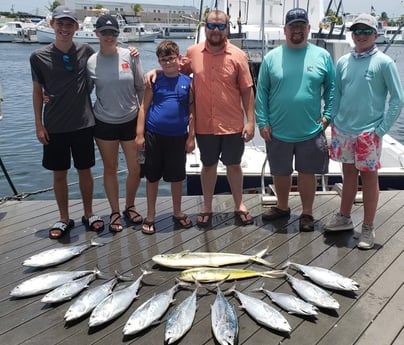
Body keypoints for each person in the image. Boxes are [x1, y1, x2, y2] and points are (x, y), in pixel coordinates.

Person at [146, 10, 255, 228]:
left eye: (220, 26)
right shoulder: (192, 52)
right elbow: (174, 69)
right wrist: (157, 71)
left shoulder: (239, 55)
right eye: (212, 26)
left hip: (232, 123)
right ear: (205, 27)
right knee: (208, 165)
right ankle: (207, 206)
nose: (216, 30)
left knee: (234, 165)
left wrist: (250, 121)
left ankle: (239, 204)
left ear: (227, 28)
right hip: (205, 124)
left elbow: (247, 90)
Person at [324, 13, 404, 249]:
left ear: (375, 35)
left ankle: (368, 227)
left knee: (369, 179)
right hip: (343, 130)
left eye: (366, 31)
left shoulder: (384, 63)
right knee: (347, 174)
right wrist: (332, 121)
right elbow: (336, 94)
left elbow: (398, 100)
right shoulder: (343, 62)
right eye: (357, 31)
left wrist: (380, 131)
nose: (361, 36)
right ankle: (344, 217)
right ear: (352, 35)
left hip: (369, 133)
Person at [255, 8, 335, 232]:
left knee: (307, 173)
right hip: (277, 129)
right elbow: (261, 92)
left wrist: (328, 115)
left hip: (310, 129)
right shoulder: (271, 57)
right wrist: (262, 122)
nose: (297, 29)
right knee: (280, 172)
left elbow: (332, 89)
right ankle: (282, 207)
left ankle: (307, 212)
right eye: (293, 26)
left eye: (301, 25)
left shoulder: (322, 56)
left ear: (308, 28)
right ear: (285, 30)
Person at [30, 6, 104, 239]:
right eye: (60, 23)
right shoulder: (38, 57)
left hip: (84, 123)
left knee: (85, 171)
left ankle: (89, 213)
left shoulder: (86, 50)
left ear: (76, 27)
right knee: (59, 173)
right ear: (52, 25)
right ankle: (64, 218)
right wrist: (38, 125)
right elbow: (36, 91)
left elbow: (109, 58)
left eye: (69, 24)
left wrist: (131, 53)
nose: (64, 28)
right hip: (55, 126)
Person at [87, 14, 145, 232]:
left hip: (130, 120)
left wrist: (143, 120)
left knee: (135, 168)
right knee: (110, 169)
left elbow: (141, 87)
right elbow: (84, 93)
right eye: (104, 32)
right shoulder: (91, 62)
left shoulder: (130, 55)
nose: (109, 36)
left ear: (118, 35)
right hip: (104, 122)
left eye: (113, 32)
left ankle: (130, 206)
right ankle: (114, 211)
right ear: (97, 34)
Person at [136, 40, 195, 234]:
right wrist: (139, 135)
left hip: (178, 137)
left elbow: (192, 111)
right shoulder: (154, 81)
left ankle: (177, 212)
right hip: (154, 135)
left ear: (178, 58)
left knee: (177, 177)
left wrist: (191, 137)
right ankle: (151, 215)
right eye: (163, 60)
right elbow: (143, 107)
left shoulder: (188, 82)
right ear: (159, 62)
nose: (168, 63)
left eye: (171, 58)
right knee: (152, 177)